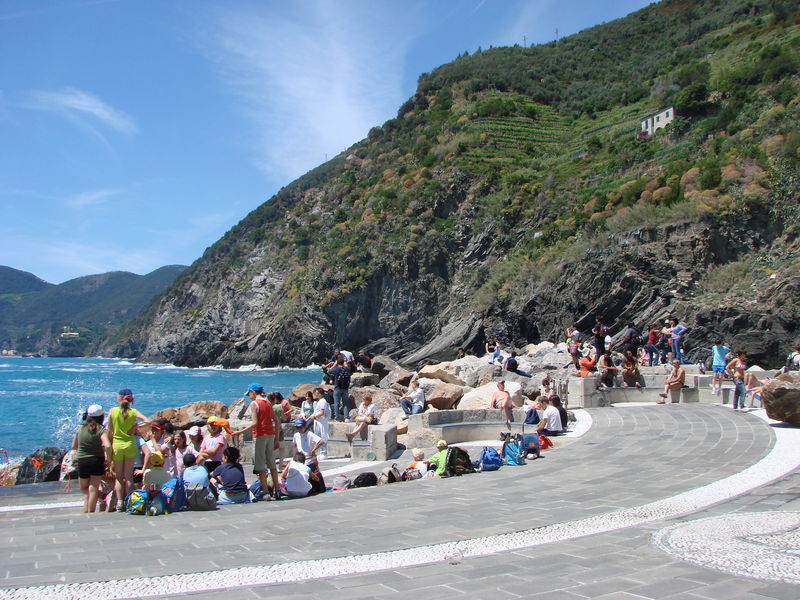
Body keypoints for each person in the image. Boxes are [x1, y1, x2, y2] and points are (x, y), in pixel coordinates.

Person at [233, 382, 283, 501]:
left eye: (249, 393)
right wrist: (276, 438)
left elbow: (255, 423)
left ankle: (265, 492)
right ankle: (278, 489)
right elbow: (276, 421)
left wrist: (240, 432)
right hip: (270, 435)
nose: (249, 396)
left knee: (260, 465)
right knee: (272, 464)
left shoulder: (254, 404)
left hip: (260, 435)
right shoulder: (268, 403)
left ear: (253, 392)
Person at [106, 388, 151, 512]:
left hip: (117, 445)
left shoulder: (113, 411)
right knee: (129, 477)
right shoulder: (133, 412)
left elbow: (109, 430)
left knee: (119, 477)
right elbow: (148, 421)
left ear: (118, 399)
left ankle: (120, 503)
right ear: (131, 399)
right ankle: (130, 502)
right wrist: (136, 427)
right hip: (130, 444)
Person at [71, 403, 111, 513]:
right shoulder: (101, 430)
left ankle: (97, 499)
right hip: (97, 460)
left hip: (83, 460)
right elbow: (107, 445)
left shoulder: (80, 428)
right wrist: (109, 459)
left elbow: (73, 446)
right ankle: (92, 512)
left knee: (84, 488)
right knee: (93, 488)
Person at [308, 387, 331, 459]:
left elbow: (322, 412)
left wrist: (314, 417)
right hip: (317, 422)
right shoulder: (318, 402)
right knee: (318, 436)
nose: (315, 394)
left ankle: (324, 453)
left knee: (322, 436)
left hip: (321, 422)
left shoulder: (323, 401)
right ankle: (321, 452)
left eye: (317, 393)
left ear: (320, 394)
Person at [329, 357, 352, 422]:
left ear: (337, 362)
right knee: (346, 403)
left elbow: (329, 371)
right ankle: (346, 417)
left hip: (337, 388)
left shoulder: (336, 369)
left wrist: (334, 365)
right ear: (343, 362)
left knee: (336, 403)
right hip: (345, 388)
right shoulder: (347, 369)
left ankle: (337, 418)